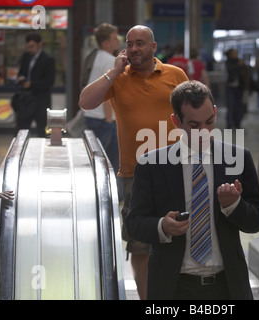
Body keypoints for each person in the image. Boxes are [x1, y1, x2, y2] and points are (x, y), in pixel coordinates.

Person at [125, 81, 259, 300]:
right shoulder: (152, 164)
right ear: (176, 122)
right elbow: (134, 224)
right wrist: (163, 226)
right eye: (194, 125)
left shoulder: (237, 158)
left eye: (209, 122)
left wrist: (233, 205)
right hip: (174, 288)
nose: (204, 132)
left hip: (227, 287)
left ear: (215, 113)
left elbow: (257, 220)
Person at [79, 25, 188, 300]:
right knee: (140, 246)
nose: (134, 49)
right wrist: (114, 71)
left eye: (140, 43)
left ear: (153, 46)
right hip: (135, 174)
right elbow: (85, 102)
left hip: (176, 170)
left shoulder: (175, 75)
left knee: (180, 238)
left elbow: (196, 116)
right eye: (130, 44)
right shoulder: (118, 78)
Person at [82, 23, 122, 201]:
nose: (118, 40)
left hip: (93, 116)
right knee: (110, 161)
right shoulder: (108, 59)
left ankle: (101, 195)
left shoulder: (96, 56)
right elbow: (106, 90)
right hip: (103, 119)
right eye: (115, 38)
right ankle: (112, 197)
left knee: (98, 159)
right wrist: (108, 119)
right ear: (106, 43)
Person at [15, 33, 55, 137]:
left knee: (42, 132)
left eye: (32, 46)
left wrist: (31, 84)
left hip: (41, 101)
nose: (29, 49)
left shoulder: (48, 60)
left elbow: (49, 82)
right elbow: (21, 72)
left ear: (39, 45)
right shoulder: (26, 57)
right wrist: (21, 78)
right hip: (26, 100)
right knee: (21, 130)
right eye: (28, 47)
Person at [224, 48, 248, 129]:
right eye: (233, 53)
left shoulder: (240, 61)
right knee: (231, 106)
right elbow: (230, 69)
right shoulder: (228, 62)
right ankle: (230, 124)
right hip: (230, 87)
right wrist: (239, 65)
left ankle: (237, 123)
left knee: (239, 106)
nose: (235, 55)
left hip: (239, 87)